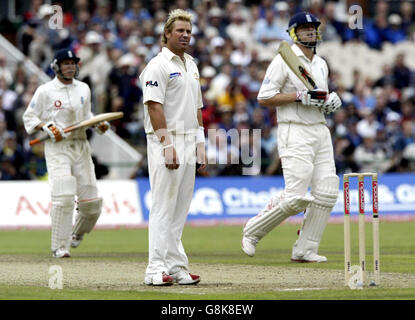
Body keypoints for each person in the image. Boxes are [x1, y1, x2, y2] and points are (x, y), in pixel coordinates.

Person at [241, 12, 342, 263]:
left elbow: (318, 97)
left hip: (319, 129)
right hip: (293, 129)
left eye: (313, 28)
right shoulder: (282, 61)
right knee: (296, 197)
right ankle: (253, 231)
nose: (310, 32)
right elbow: (264, 97)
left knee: (327, 192)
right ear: (293, 33)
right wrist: (297, 96)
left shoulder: (321, 63)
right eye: (304, 29)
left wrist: (329, 102)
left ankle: (305, 248)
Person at [138, 9, 206, 286]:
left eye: (188, 31)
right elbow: (154, 106)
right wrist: (167, 144)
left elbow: (198, 107)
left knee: (180, 209)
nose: (185, 35)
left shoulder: (191, 63)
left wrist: (200, 142)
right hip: (166, 139)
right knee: (163, 207)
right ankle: (154, 269)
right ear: (167, 33)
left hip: (190, 139)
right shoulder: (157, 65)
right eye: (180, 30)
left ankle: (176, 266)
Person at [22, 48, 110, 258]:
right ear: (57, 66)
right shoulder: (45, 91)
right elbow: (29, 118)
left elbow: (86, 115)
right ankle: (60, 247)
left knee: (92, 203)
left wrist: (98, 124)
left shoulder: (84, 89)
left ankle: (77, 233)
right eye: (66, 64)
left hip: (80, 145)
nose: (71, 67)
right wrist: (47, 126)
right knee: (63, 196)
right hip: (58, 147)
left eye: (73, 63)